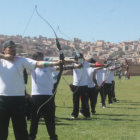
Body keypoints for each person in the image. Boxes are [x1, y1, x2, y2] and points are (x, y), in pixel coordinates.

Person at [0, 40, 61, 140]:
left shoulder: (21, 60)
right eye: (10, 48)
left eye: (14, 47)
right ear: (4, 50)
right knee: (1, 130)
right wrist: (4, 56)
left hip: (18, 100)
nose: (13, 49)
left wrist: (53, 63)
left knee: (21, 130)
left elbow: (38, 63)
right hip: (2, 100)